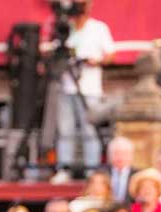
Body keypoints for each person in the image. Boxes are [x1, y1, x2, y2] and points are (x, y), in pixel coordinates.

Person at [49, 0, 114, 178]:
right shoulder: (65, 28)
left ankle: (92, 170)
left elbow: (111, 55)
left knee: (89, 129)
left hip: (89, 88)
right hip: (66, 86)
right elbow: (55, 52)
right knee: (65, 130)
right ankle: (64, 169)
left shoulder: (99, 28)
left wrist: (95, 61)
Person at [106, 136, 136, 203]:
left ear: (131, 155)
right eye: (116, 153)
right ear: (109, 155)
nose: (120, 157)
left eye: (124, 153)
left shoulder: (138, 174)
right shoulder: (102, 172)